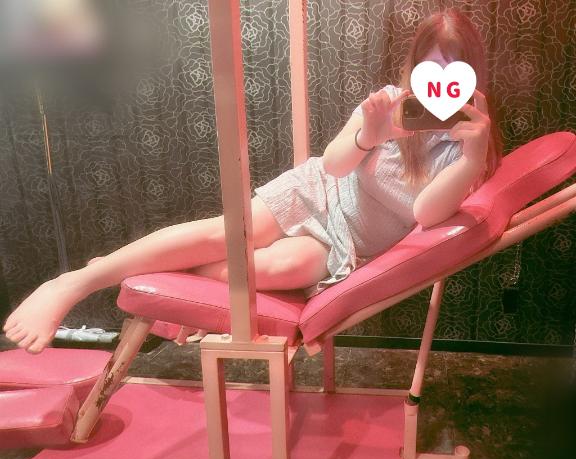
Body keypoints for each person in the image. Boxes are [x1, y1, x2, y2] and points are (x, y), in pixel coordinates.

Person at [2, 7, 502, 354]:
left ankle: (155, 281)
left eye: (453, 70)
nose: (438, 84)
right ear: (414, 68)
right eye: (429, 68)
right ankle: (76, 282)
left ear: (472, 75)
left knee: (281, 266)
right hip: (319, 193)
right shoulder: (388, 103)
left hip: (348, 245)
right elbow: (333, 165)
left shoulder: (470, 142)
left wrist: (470, 158)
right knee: (225, 234)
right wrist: (369, 136)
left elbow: (425, 214)